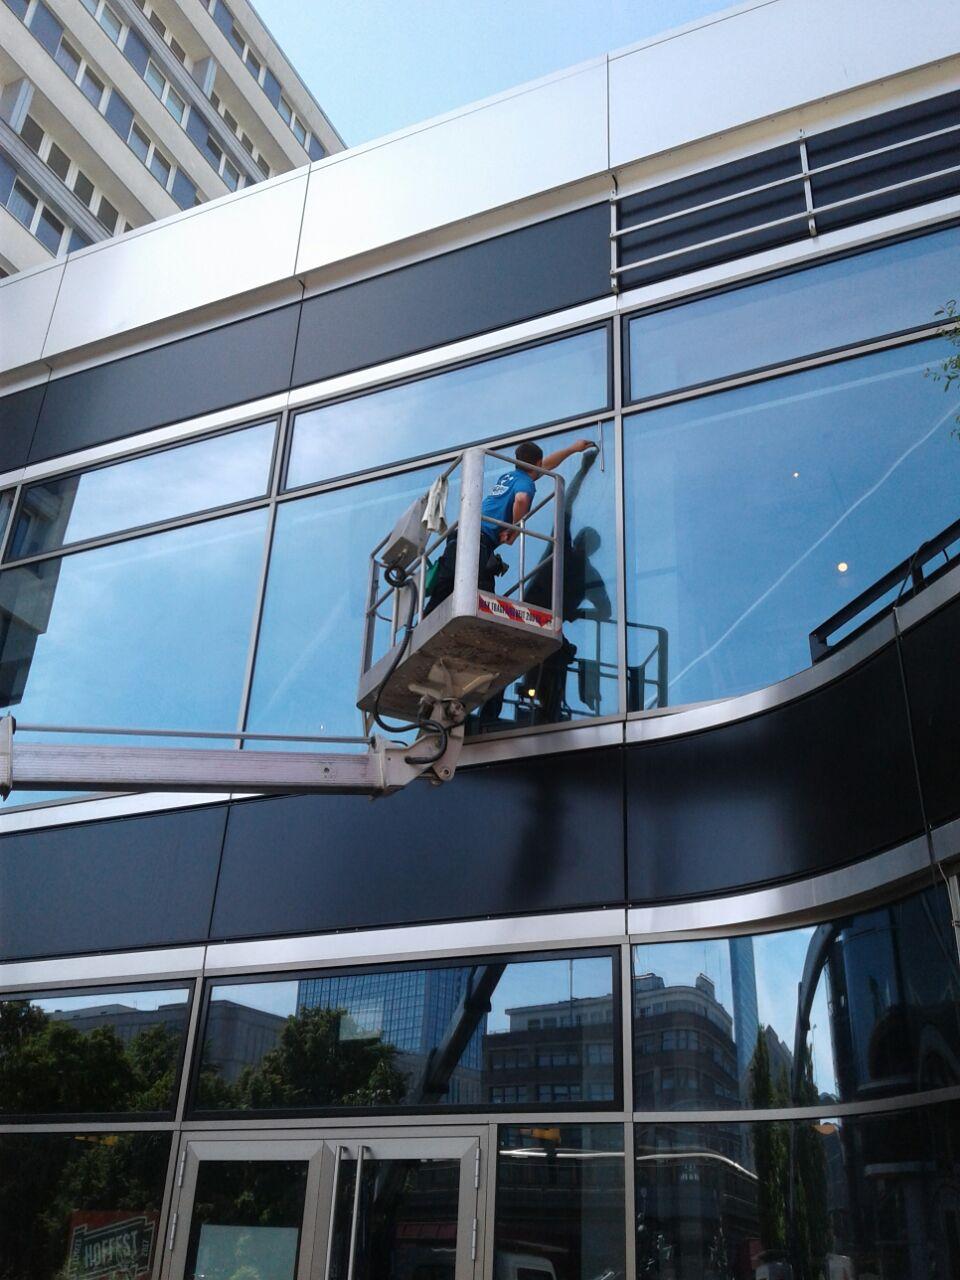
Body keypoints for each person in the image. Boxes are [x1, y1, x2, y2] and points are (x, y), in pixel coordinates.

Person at [422, 437, 596, 615]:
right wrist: (514, 529)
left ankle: (422, 625)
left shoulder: (510, 476)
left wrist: (573, 448)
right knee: (482, 593)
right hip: (478, 540)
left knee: (446, 587)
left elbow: (545, 466)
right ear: (536, 462)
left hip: (462, 536)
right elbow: (521, 499)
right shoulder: (526, 483)